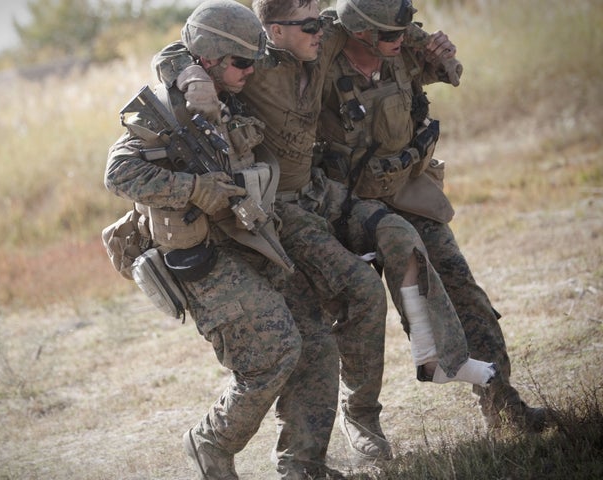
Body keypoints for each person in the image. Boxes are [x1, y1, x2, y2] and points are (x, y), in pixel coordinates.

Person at [154, 0, 499, 468]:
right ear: (272, 31)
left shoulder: (323, 35)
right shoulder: (253, 65)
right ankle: (343, 431)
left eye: (321, 18)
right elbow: (191, 46)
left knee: (398, 235)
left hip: (321, 194)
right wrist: (189, 76)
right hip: (277, 211)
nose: (323, 29)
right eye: (309, 22)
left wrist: (433, 46)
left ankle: (441, 359)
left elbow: (385, 26)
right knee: (338, 310)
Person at [103, 2, 332, 478]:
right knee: (274, 352)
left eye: (252, 61)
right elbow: (118, 172)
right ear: (208, 60)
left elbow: (184, 51)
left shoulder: (229, 91)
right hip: (202, 256)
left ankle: (302, 467)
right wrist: (191, 189)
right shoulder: (166, 111)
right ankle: (210, 441)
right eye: (241, 62)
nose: (251, 70)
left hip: (251, 239)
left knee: (316, 342)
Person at [316, 0, 549, 434]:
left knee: (463, 291)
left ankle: (502, 408)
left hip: (407, 194)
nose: (399, 39)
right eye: (388, 34)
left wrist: (443, 54)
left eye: (402, 31)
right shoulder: (320, 56)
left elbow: (449, 70)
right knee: (356, 318)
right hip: (347, 210)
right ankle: (360, 423)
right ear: (359, 32)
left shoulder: (401, 47)